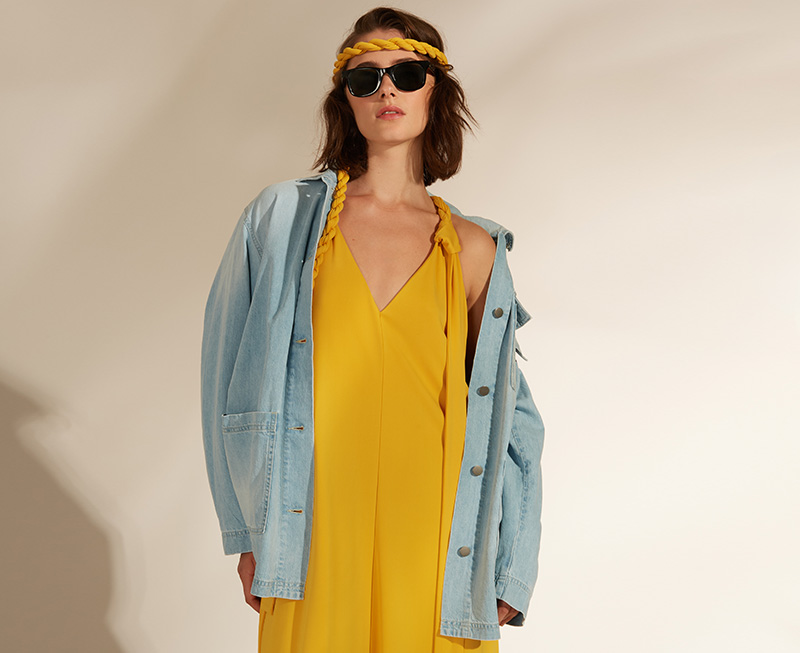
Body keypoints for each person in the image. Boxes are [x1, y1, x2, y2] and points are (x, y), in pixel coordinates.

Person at [201, 7, 545, 651]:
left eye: (406, 74)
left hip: (437, 531)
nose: (387, 89)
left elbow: (512, 417)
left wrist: (511, 564)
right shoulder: (281, 220)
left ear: (435, 91)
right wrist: (247, 532)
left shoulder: (474, 248)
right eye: (366, 77)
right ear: (347, 99)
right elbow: (224, 377)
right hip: (311, 522)